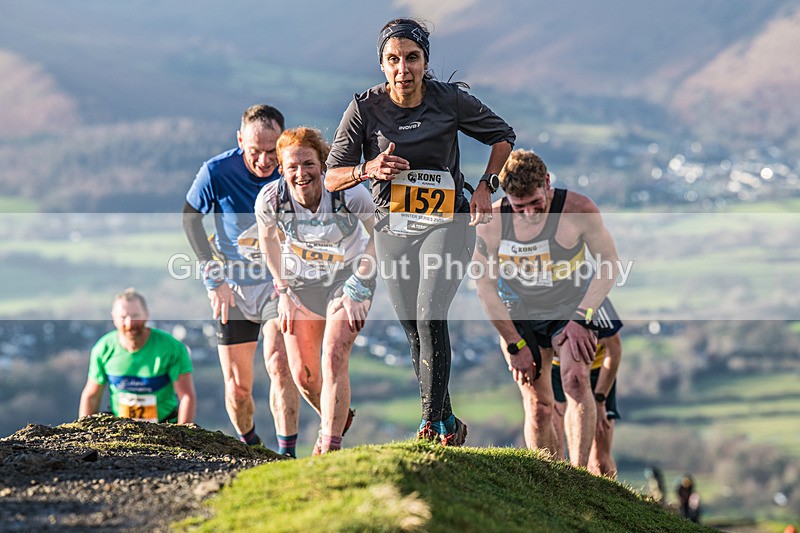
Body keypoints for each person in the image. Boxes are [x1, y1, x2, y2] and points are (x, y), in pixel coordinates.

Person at [324, 18, 515, 445]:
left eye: (412, 58)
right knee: (414, 327)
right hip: (394, 227)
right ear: (382, 64)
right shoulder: (364, 108)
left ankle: (428, 425)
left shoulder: (449, 101)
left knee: (430, 314)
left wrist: (486, 186)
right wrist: (367, 168)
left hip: (448, 222)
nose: (403, 69)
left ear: (425, 62)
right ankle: (447, 423)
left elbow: (503, 136)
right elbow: (332, 177)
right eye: (393, 59)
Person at [474, 149, 620, 466]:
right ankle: (550, 476)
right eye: (519, 206)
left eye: (535, 203)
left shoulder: (578, 209)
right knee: (539, 406)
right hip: (520, 313)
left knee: (576, 380)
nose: (529, 213)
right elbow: (484, 288)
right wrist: (514, 343)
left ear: (547, 183)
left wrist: (583, 318)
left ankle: (578, 476)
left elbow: (609, 263)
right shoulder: (492, 223)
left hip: (570, 308)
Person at [183, 104, 299, 455]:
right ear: (239, 141)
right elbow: (190, 219)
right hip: (233, 286)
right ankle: (252, 447)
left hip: (278, 283)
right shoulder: (217, 171)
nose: (265, 161)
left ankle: (287, 455)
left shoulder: (294, 169)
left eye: (272, 151)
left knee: (279, 363)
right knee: (237, 388)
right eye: (255, 151)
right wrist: (212, 277)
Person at [255, 127, 376, 454]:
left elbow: (382, 232)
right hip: (299, 284)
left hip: (346, 279)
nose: (301, 173)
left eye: (308, 164)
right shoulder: (271, 199)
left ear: (323, 164)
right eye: (292, 166)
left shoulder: (349, 194)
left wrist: (359, 284)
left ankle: (329, 445)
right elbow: (267, 240)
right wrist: (282, 290)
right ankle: (336, 416)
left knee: (334, 354)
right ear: (281, 169)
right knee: (304, 377)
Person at [79, 289, 196, 424]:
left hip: (165, 424)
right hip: (121, 427)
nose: (130, 323)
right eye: (123, 317)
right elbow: (91, 396)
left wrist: (182, 432)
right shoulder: (103, 349)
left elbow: (186, 396)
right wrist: (83, 431)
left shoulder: (172, 348)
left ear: (146, 315)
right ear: (113, 318)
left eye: (135, 316)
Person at [552, 326, 623, 478]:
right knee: (554, 450)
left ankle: (601, 491)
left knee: (599, 461)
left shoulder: (598, 312)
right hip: (555, 371)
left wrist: (599, 399)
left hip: (596, 373)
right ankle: (557, 488)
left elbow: (615, 348)